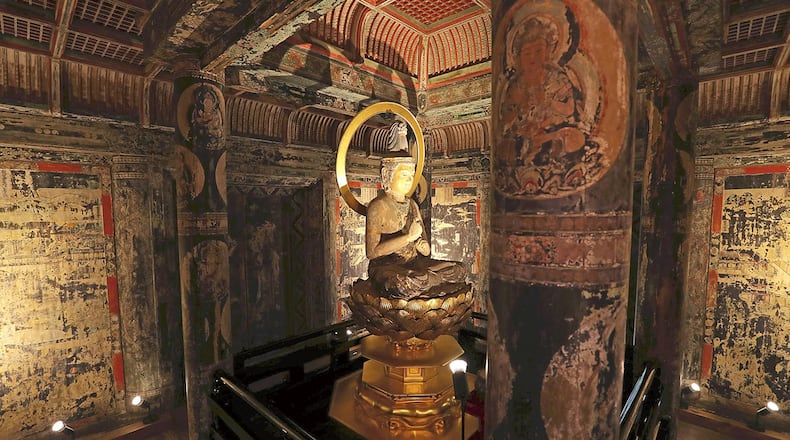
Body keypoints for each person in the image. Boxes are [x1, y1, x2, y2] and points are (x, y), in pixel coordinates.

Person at [364, 154, 467, 300]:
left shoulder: (412, 205)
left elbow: (425, 251)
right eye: (404, 175)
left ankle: (425, 280)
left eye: (412, 175)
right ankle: (426, 280)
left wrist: (422, 246)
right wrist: (408, 238)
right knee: (403, 283)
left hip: (414, 264)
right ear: (387, 175)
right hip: (387, 268)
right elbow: (372, 253)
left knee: (458, 269)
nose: (409, 180)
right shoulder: (378, 206)